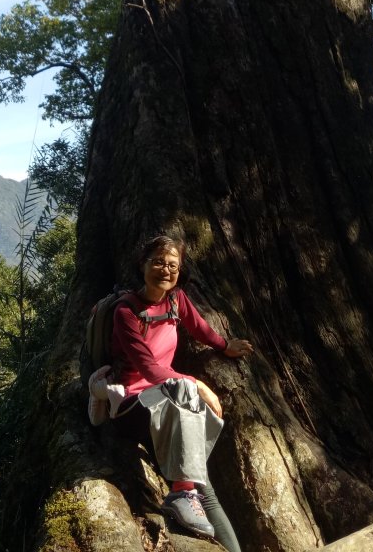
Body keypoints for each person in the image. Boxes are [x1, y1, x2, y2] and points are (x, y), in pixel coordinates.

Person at [99, 234, 253, 549]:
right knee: (182, 392)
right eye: (158, 262)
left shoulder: (176, 300)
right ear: (142, 264)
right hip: (132, 406)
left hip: (170, 405)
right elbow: (150, 370)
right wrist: (197, 384)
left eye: (173, 265)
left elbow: (199, 327)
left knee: (202, 487)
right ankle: (182, 494)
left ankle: (188, 499)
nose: (166, 270)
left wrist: (225, 345)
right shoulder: (126, 312)